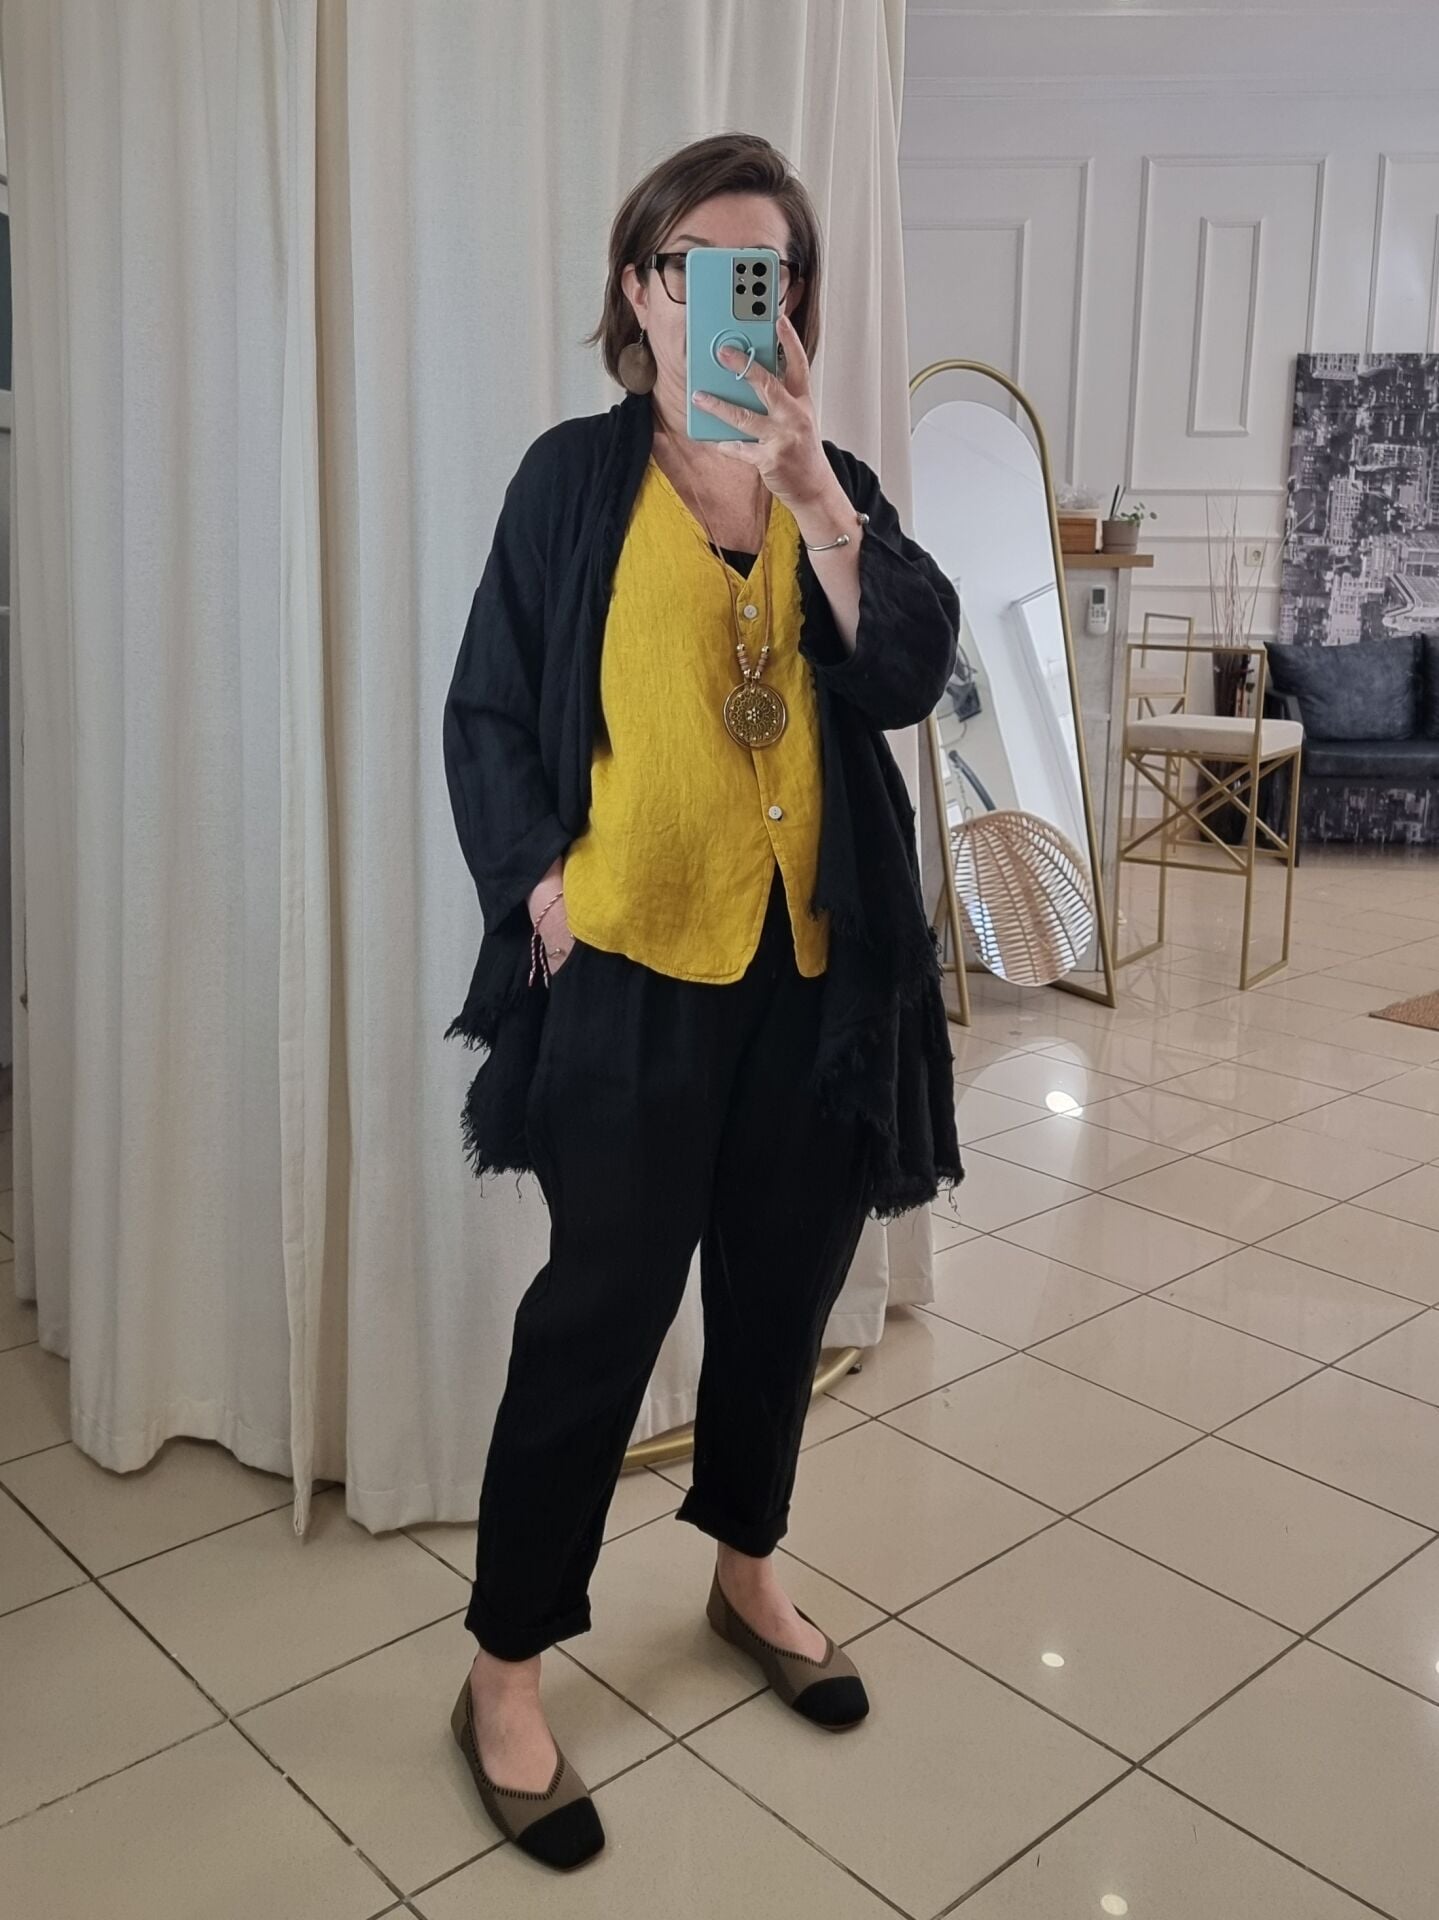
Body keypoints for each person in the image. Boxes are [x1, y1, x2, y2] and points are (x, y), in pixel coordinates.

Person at [442, 130, 962, 1870]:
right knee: (595, 1319)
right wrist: (539, 890)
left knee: (780, 1298)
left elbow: (910, 671)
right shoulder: (571, 482)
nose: (747, 298)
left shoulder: (833, 482)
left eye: (773, 273)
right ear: (642, 290)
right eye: (708, 268)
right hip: (632, 977)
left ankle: (746, 1571)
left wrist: (818, 496)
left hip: (813, 980)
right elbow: (487, 711)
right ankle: (505, 1670)